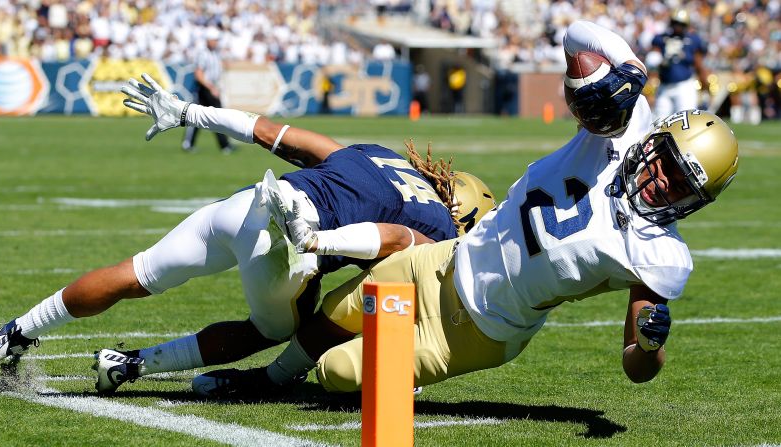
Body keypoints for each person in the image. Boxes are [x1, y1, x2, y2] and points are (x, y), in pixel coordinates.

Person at [199, 20, 739, 398]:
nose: (664, 181)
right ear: (658, 140)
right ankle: (264, 381)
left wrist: (649, 345)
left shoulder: (661, 256)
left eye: (683, 185)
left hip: (480, 327)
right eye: (667, 161)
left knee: (338, 371)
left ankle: (314, 381)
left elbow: (636, 368)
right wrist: (625, 72)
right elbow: (578, 37)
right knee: (335, 315)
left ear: (697, 202)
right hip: (448, 259)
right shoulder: (623, 123)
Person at [0, 74, 497, 396]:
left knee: (137, 272)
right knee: (274, 330)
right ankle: (131, 365)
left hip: (248, 202)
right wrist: (317, 243)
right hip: (290, 236)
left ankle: (13, 332)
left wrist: (188, 113)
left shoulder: (379, 154)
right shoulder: (436, 228)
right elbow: (390, 238)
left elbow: (273, 134)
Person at [648, 9, 710, 120]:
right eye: (675, 23)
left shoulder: (692, 40)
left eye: (681, 24)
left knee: (686, 119)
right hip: (664, 86)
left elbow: (698, 65)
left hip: (684, 86)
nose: (677, 27)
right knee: (659, 121)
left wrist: (705, 86)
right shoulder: (661, 39)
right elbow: (652, 62)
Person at [182, 27, 235, 153]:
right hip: (205, 89)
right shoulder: (203, 54)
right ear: (209, 40)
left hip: (211, 87)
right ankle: (222, 145)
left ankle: (223, 145)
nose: (217, 42)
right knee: (208, 116)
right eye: (215, 40)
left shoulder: (215, 53)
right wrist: (211, 87)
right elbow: (198, 74)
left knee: (208, 117)